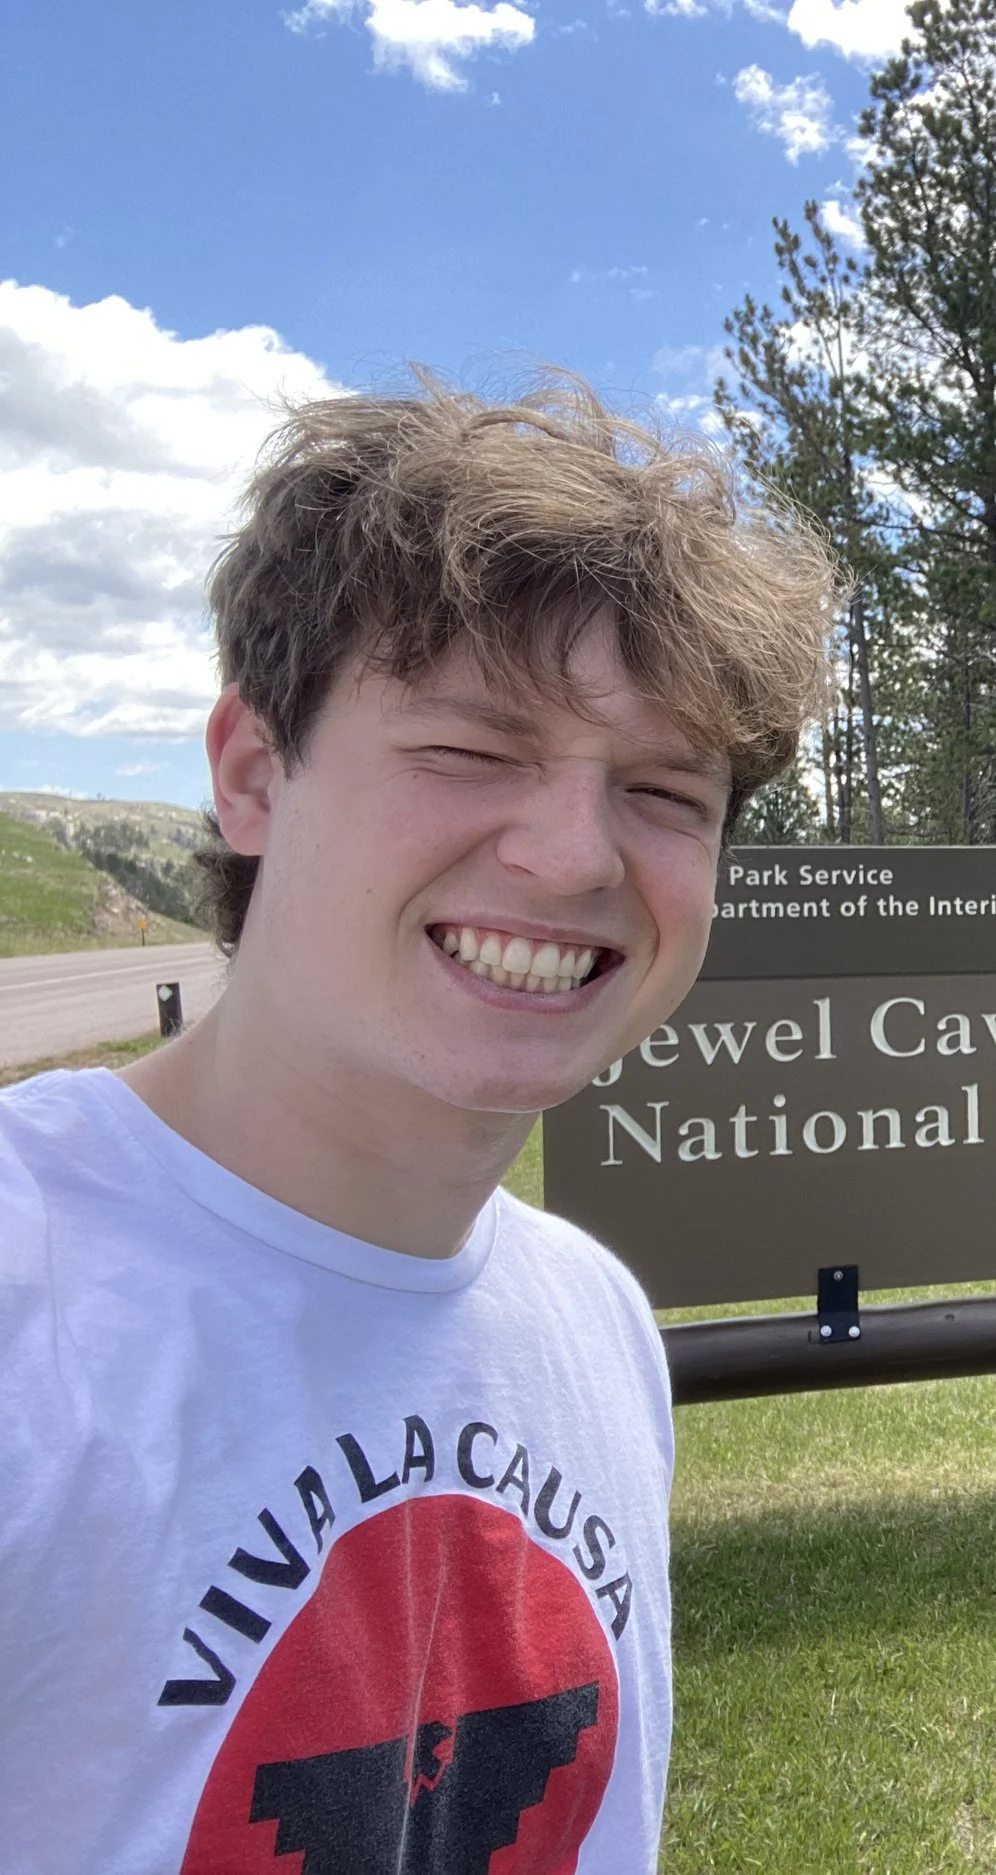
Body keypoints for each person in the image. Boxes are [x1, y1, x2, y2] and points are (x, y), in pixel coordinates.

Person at [0, 380, 830, 1871]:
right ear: (254, 773)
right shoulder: (29, 1294)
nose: (574, 853)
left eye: (661, 789)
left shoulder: (594, 1319)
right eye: (470, 750)